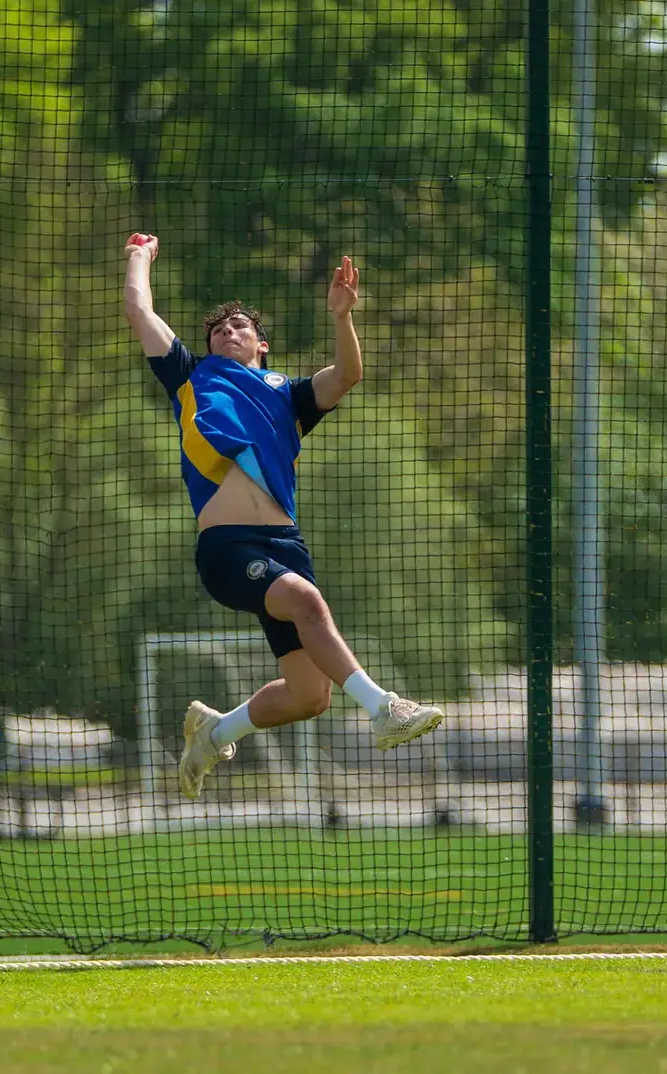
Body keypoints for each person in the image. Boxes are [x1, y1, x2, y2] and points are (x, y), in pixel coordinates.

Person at [123, 232, 444, 800]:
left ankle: (213, 731)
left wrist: (342, 316)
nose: (227, 331)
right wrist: (139, 257)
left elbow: (345, 376)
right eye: (218, 329)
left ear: (262, 344)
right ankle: (384, 708)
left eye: (239, 326)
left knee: (309, 697)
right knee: (307, 601)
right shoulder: (190, 376)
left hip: (284, 546)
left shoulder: (285, 395)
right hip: (229, 549)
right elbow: (138, 308)